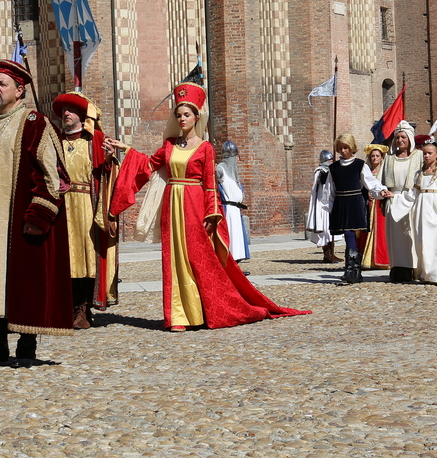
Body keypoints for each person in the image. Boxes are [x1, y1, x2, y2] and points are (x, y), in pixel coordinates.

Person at [107, 81, 308, 331]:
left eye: (187, 114)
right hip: (172, 206)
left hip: (194, 206)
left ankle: (203, 310)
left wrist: (212, 214)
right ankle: (178, 316)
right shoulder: (168, 146)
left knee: (197, 258)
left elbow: (211, 185)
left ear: (196, 117)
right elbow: (148, 165)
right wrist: (125, 149)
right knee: (173, 258)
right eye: (178, 114)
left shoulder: (205, 148)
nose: (181, 119)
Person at [0, 60, 72, 366]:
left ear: (19, 90)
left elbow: (54, 176)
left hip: (19, 222)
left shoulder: (35, 124)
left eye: (1, 84)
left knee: (25, 282)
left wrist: (38, 217)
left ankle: (27, 344)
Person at [52, 91, 119, 329]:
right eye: (63, 110)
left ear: (81, 115)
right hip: (61, 206)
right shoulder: (54, 141)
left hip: (88, 206)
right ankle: (66, 306)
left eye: (70, 110)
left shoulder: (95, 140)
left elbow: (108, 174)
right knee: (65, 258)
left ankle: (83, 308)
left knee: (87, 258)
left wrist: (110, 160)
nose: (65, 114)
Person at [318, 134, 391, 284]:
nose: (343, 151)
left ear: (351, 147)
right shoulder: (334, 168)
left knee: (351, 233)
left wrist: (381, 191)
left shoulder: (360, 165)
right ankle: (352, 270)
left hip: (355, 202)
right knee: (347, 234)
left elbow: (370, 182)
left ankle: (352, 269)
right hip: (341, 203)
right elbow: (330, 189)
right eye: (340, 148)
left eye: (345, 147)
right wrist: (330, 207)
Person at [390, 139, 437, 284]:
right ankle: (426, 273)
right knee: (422, 242)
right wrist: (395, 197)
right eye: (424, 153)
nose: (426, 156)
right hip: (421, 211)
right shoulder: (418, 174)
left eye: (429, 153)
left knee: (436, 242)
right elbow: (412, 195)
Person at [378, 120, 422, 282]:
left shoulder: (418, 157)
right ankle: (399, 269)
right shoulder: (389, 158)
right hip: (393, 201)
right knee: (395, 238)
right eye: (397, 138)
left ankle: (415, 268)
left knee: (412, 235)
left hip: (412, 201)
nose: (400, 140)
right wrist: (381, 191)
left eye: (403, 137)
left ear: (410, 138)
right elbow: (380, 179)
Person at [216, 140, 251, 263]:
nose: (237, 160)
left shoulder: (232, 172)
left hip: (236, 210)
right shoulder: (221, 169)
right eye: (236, 157)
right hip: (228, 210)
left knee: (237, 239)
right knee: (230, 238)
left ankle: (236, 263)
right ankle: (229, 264)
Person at [359, 143, 391, 270]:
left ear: (382, 157)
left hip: (381, 204)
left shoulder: (385, 171)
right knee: (367, 231)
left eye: (377, 156)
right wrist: (367, 194)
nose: (375, 158)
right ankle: (368, 259)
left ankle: (382, 258)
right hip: (368, 204)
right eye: (372, 156)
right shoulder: (365, 170)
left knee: (381, 232)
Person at [306, 150, 339, 263]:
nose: (332, 161)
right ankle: (327, 254)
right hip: (321, 204)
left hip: (330, 202)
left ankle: (331, 253)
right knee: (324, 229)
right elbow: (321, 183)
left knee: (331, 229)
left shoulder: (331, 170)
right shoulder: (320, 171)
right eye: (330, 160)